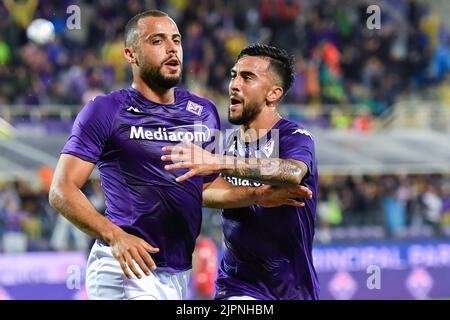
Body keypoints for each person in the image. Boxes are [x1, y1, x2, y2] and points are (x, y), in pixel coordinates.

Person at [49, 10, 312, 300]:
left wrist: (257, 196)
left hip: (177, 274)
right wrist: (115, 236)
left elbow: (206, 189)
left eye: (176, 40)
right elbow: (62, 190)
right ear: (130, 54)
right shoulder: (105, 110)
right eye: (157, 41)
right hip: (126, 266)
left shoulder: (204, 112)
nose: (172, 48)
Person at [163, 44, 320, 300]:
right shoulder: (222, 143)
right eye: (234, 75)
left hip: (293, 288)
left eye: (247, 78)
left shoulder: (295, 137)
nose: (234, 85)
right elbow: (200, 192)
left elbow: (291, 171)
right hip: (238, 286)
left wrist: (220, 163)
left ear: (273, 93)